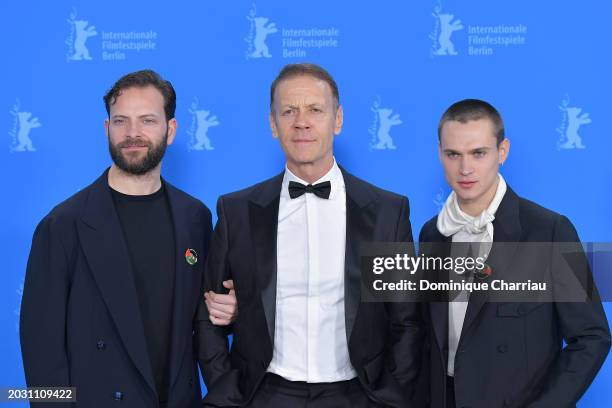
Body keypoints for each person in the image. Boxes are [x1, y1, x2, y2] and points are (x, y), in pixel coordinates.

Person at [196, 63, 424, 407]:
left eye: (315, 110)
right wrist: (227, 388)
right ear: (273, 124)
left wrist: (390, 396)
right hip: (263, 394)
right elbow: (209, 312)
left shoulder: (387, 213)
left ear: (338, 119)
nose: (301, 122)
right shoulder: (237, 211)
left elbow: (407, 321)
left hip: (358, 395)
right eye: (288, 111)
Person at [20, 69, 236, 408]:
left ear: (171, 130)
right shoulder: (63, 225)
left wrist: (231, 310)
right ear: (107, 129)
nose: (132, 134)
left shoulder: (195, 218)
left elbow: (205, 318)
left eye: (147, 120)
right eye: (121, 121)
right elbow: (40, 348)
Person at [419, 99, 611, 408]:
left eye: (478, 153)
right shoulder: (432, 234)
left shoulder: (550, 231)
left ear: (502, 152)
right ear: (440, 153)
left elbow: (592, 336)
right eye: (453, 154)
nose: (465, 168)